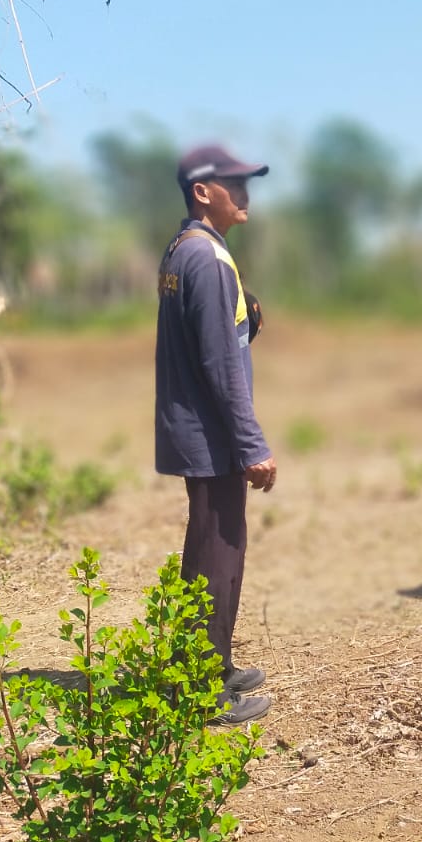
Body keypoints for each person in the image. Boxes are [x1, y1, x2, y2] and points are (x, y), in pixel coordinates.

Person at [155, 142, 279, 723]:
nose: (246, 191)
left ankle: (211, 665)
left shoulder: (189, 249)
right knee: (216, 556)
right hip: (213, 436)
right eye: (235, 182)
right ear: (203, 191)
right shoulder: (205, 258)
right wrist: (252, 444)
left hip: (202, 430)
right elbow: (218, 364)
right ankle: (203, 693)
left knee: (213, 549)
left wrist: (244, 310)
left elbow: (217, 337)